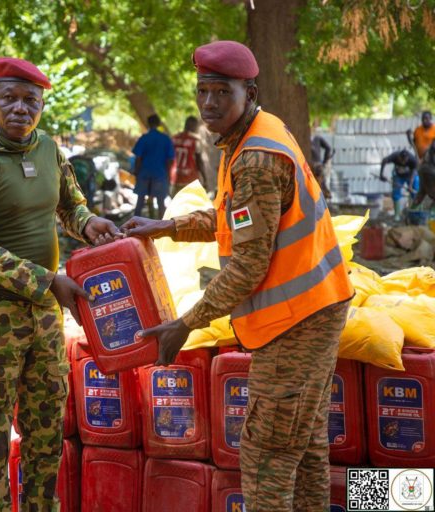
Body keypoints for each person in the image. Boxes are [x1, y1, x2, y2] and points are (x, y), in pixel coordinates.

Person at [123, 40, 353, 512]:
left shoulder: (255, 159)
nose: (208, 102)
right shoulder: (254, 135)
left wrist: (184, 324)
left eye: (221, 92)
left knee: (267, 454)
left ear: (249, 92)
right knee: (304, 446)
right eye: (202, 91)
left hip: (296, 321)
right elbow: (234, 220)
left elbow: (249, 265)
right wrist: (167, 226)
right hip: (316, 307)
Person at [0, 56, 120, 511]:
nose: (20, 108)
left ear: (41, 106)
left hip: (43, 315)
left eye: (31, 100)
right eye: (10, 98)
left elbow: (70, 205)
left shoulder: (49, 150)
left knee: (46, 430)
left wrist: (89, 223)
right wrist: (46, 281)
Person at [132, 114, 176, 219]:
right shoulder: (165, 139)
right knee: (161, 203)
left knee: (140, 202)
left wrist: (136, 172)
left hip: (144, 173)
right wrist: (167, 174)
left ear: (148, 124)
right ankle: (162, 225)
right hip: (160, 174)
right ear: (159, 123)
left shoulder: (144, 138)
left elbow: (138, 158)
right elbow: (170, 159)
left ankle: (133, 225)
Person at [170, 116, 208, 196]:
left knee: (175, 202)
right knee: (190, 202)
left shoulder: (173, 138)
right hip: (190, 178)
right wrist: (205, 178)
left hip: (175, 177)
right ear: (193, 126)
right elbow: (199, 161)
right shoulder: (195, 141)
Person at [379, 148, 419, 220]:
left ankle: (415, 213)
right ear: (399, 157)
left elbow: (413, 173)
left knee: (415, 191)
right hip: (399, 176)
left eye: (404, 161)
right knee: (396, 193)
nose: (403, 162)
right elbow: (384, 160)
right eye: (401, 160)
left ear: (407, 159)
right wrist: (381, 175)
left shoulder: (412, 160)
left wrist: (410, 185)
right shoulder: (394, 156)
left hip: (411, 176)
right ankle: (397, 214)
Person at [310, 132, 334, 199]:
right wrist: (324, 161)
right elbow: (328, 148)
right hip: (318, 166)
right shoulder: (317, 137)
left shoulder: (304, 138)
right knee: (322, 187)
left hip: (308, 166)